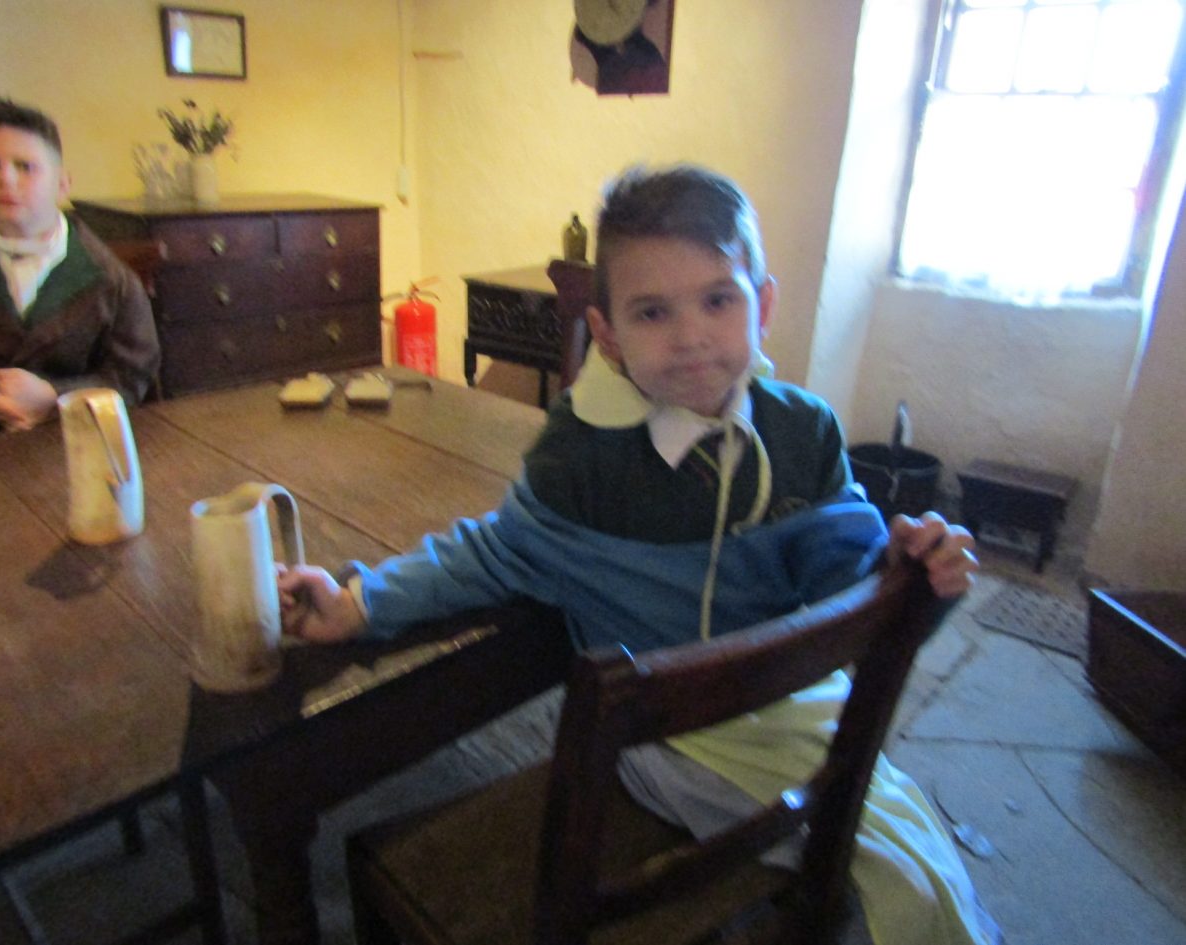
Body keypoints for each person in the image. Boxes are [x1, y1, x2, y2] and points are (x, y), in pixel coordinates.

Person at [278, 165, 999, 945]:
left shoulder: (805, 432)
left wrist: (917, 572)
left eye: (718, 299)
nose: (691, 336)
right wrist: (359, 601)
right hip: (670, 742)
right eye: (653, 311)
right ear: (609, 333)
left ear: (763, 305)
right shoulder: (579, 459)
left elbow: (854, 598)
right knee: (892, 873)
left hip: (796, 703)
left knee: (919, 856)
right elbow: (488, 553)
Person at [0, 97, 159, 436]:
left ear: (62, 183)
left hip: (73, 439)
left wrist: (53, 396)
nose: (6, 179)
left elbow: (132, 375)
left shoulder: (111, 278)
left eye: (25, 166)